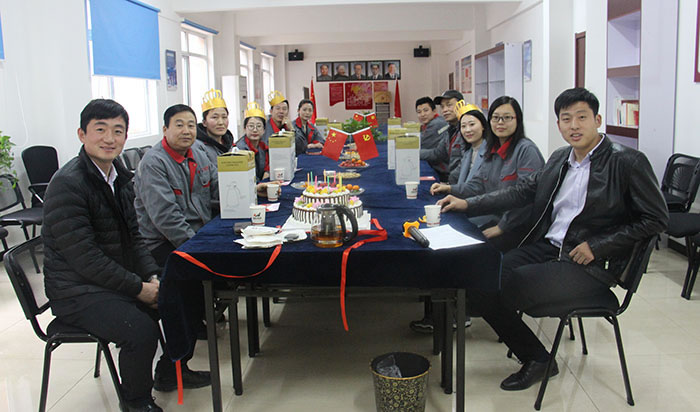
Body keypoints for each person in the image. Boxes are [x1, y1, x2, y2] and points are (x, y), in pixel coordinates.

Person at [438, 87, 668, 391]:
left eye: (582, 117)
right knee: (481, 278)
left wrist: (598, 246)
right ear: (558, 124)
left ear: (598, 120)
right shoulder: (561, 158)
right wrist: (467, 203)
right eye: (566, 119)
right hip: (550, 248)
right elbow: (521, 191)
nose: (574, 126)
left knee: (505, 286)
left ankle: (538, 359)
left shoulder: (627, 162)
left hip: (590, 264)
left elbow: (656, 219)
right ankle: (535, 356)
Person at [42, 99, 200, 412]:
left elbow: (135, 237)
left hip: (111, 279)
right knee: (139, 330)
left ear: (126, 136)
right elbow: (85, 259)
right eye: (100, 130)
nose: (110, 138)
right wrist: (138, 288)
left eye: (118, 131)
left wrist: (152, 277)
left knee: (186, 292)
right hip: (76, 291)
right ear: (82, 134)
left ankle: (171, 372)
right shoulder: (67, 185)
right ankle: (136, 403)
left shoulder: (120, 178)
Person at [432, 96, 544, 252]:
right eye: (495, 118)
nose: (500, 123)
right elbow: (477, 185)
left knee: (467, 247)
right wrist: (450, 189)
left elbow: (527, 197)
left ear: (518, 120)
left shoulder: (526, 150)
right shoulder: (492, 149)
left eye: (507, 118)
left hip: (517, 226)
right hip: (492, 215)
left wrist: (502, 227)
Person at [134, 104, 219, 268]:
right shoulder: (153, 163)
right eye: (179, 125)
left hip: (200, 232)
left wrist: (252, 190)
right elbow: (166, 217)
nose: (186, 131)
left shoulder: (199, 154)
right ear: (165, 129)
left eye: (191, 126)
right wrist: (198, 248)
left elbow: (218, 185)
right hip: (165, 242)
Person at [419, 90, 464, 183]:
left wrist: (448, 185)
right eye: (442, 107)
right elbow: (437, 153)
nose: (445, 110)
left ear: (461, 105)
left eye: (449, 105)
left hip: (459, 184)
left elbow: (465, 165)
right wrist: (412, 153)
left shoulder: (466, 130)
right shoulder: (450, 130)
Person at [196, 89, 234, 165]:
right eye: (214, 117)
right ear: (204, 122)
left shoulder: (230, 144)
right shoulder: (198, 147)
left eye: (224, 117)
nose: (221, 122)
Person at [236, 102, 271, 181]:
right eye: (251, 126)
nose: (255, 130)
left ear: (264, 130)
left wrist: (267, 172)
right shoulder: (240, 149)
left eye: (259, 126)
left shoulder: (263, 146)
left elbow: (268, 165)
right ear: (244, 128)